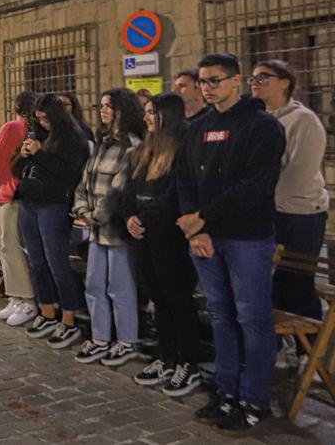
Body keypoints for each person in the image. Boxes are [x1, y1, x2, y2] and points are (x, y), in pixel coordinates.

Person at [178, 53, 284, 432]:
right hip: (206, 238)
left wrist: (203, 218)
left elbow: (255, 186)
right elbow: (184, 177)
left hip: (247, 239)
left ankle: (254, 400)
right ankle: (226, 392)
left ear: (236, 81)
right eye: (203, 81)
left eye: (215, 81)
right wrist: (197, 228)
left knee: (252, 319)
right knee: (221, 316)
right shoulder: (199, 127)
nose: (207, 88)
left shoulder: (262, 126)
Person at [123, 93, 205, 396]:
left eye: (151, 112)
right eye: (146, 112)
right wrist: (130, 214)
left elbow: (179, 192)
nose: (146, 118)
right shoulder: (144, 149)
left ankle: (189, 362)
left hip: (171, 237)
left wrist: (154, 216)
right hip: (145, 236)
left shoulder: (183, 148)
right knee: (158, 297)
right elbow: (130, 187)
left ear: (167, 116)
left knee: (178, 300)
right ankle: (166, 357)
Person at [248, 61, 329, 328]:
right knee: (268, 284)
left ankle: (312, 355)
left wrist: (263, 206)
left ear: (285, 82)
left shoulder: (303, 119)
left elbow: (299, 171)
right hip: (265, 210)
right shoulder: (255, 119)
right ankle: (280, 347)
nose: (255, 82)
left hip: (299, 214)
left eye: (263, 77)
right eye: (253, 78)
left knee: (296, 284)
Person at [72, 88, 145, 366]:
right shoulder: (102, 143)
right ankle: (100, 337)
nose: (102, 111)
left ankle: (126, 341)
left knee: (120, 286)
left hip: (115, 228)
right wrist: (83, 210)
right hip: (95, 228)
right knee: (94, 284)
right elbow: (84, 181)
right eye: (101, 105)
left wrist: (95, 216)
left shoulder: (132, 146)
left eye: (108, 106)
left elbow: (119, 189)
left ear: (122, 110)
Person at [14, 93, 91, 349]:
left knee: (56, 262)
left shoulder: (73, 138)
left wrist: (39, 155)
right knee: (36, 261)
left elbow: (69, 174)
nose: (43, 123)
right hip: (29, 202)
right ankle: (48, 311)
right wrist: (25, 154)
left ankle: (69, 317)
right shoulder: (38, 136)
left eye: (46, 119)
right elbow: (14, 169)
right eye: (39, 119)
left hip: (53, 205)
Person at [0, 90, 38, 327]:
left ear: (16, 107)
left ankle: (25, 299)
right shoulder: (33, 130)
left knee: (8, 245)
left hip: (9, 192)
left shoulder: (12, 127)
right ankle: (16, 296)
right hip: (21, 192)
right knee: (8, 246)